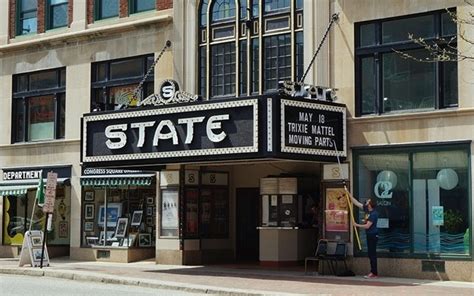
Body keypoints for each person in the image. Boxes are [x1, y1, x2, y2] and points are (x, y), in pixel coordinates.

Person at [349, 194, 379, 279]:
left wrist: (356, 225)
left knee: (372, 254)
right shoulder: (367, 210)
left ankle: (374, 273)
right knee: (370, 254)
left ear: (370, 204)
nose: (366, 201)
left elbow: (367, 226)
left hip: (373, 235)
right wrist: (348, 194)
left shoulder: (373, 214)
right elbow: (356, 203)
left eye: (368, 201)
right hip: (369, 235)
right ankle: (373, 272)